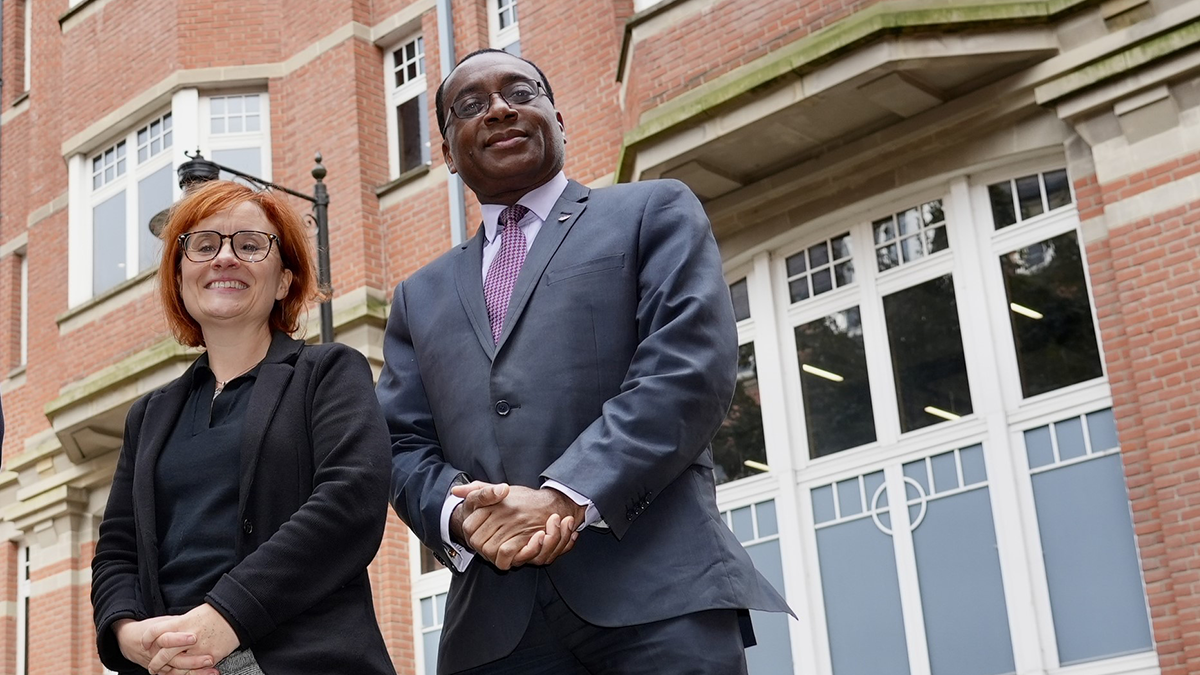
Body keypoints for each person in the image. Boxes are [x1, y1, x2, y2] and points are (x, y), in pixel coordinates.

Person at [378, 49, 791, 675]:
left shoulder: (652, 211)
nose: (498, 109)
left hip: (659, 600)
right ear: (447, 150)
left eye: (521, 92)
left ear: (558, 118)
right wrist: (462, 513)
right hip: (494, 636)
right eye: (470, 106)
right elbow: (399, 441)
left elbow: (686, 367)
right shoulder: (417, 296)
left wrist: (565, 497)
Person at [92, 181, 396, 675]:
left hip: (299, 659)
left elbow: (351, 502)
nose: (224, 258)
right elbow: (117, 549)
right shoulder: (147, 415)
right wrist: (130, 633)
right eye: (204, 245)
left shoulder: (329, 373)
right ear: (180, 277)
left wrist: (222, 620)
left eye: (250, 245)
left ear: (283, 281)